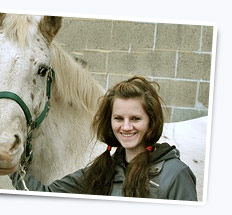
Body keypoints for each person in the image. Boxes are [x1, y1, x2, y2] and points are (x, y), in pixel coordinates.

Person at [10, 75, 197, 201]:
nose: (125, 127)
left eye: (135, 119)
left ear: (151, 121)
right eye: (118, 118)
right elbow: (45, 195)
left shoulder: (176, 175)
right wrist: (12, 166)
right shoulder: (100, 172)